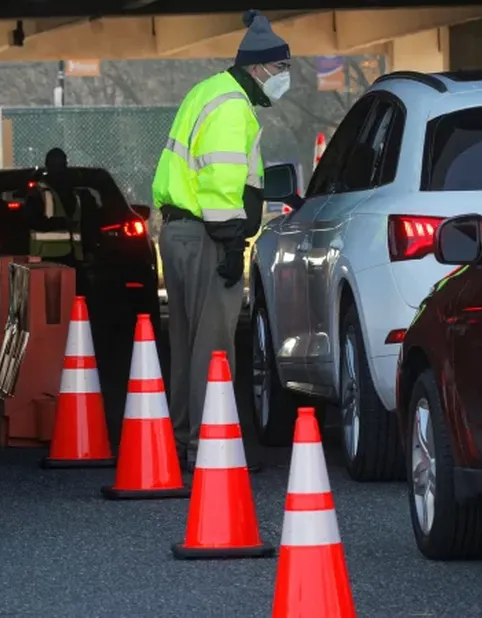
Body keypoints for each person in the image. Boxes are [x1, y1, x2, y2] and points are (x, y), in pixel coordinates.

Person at [151, 9, 291, 473]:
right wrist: (233, 243)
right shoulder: (232, 107)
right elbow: (221, 179)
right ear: (256, 68)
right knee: (214, 346)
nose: (283, 78)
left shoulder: (206, 91)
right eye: (279, 69)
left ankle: (183, 440)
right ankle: (207, 446)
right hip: (208, 233)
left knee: (189, 343)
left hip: (180, 232)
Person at [26, 148, 83, 268]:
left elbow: (84, 223)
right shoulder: (38, 192)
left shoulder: (73, 193)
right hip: (46, 257)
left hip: (73, 257)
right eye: (56, 165)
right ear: (48, 166)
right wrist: (62, 223)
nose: (60, 169)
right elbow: (32, 221)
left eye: (62, 165)